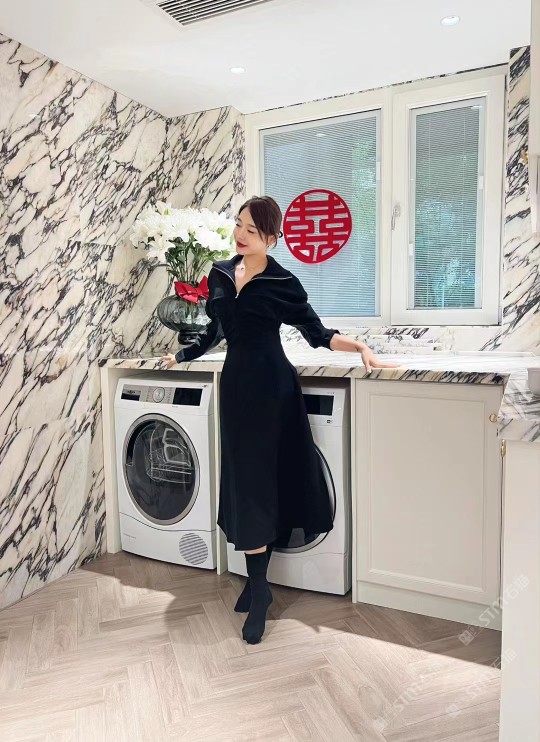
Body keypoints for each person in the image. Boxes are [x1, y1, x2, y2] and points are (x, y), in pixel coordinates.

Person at [159, 196, 397, 644]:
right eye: (238, 224)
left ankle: (260, 590)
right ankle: (258, 583)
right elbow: (215, 330)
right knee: (245, 482)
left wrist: (361, 348)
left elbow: (317, 333)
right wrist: (183, 354)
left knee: (264, 483)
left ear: (272, 237)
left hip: (273, 390)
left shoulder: (283, 281)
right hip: (236, 389)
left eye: (251, 229)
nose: (240, 234)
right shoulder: (220, 274)